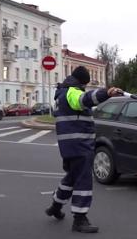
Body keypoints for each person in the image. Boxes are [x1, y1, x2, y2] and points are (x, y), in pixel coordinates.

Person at [45, 66, 121, 233]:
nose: (85, 88)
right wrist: (106, 93)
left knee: (72, 177)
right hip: (80, 145)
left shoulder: (62, 93)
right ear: (81, 81)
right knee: (83, 181)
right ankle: (80, 219)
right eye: (84, 84)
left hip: (69, 145)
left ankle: (55, 206)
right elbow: (84, 100)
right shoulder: (72, 92)